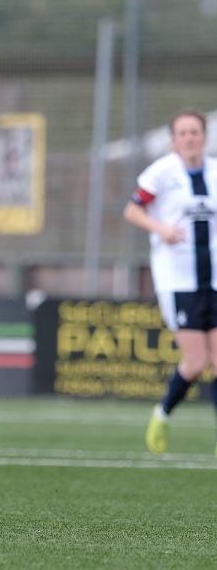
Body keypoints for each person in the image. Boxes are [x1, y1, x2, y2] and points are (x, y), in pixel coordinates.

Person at [124, 110, 217, 456]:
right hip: (179, 280)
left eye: (195, 131)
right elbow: (132, 210)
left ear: (204, 136)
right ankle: (161, 414)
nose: (190, 138)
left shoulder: (214, 171)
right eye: (183, 133)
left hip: (214, 279)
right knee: (195, 363)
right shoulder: (162, 173)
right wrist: (161, 230)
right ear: (174, 139)